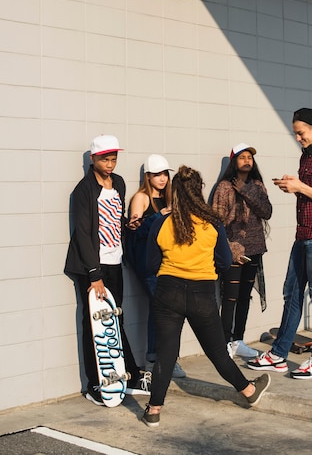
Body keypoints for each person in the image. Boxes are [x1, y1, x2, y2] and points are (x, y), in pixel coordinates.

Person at [141, 165, 271, 428]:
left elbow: (150, 265)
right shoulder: (212, 224)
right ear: (199, 191)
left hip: (167, 293)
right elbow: (224, 262)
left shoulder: (161, 223)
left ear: (174, 192)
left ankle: (154, 410)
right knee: (217, 353)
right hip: (201, 294)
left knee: (166, 354)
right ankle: (248, 391)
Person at [248, 109, 312, 379]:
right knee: (291, 293)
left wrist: (301, 187)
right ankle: (279, 355)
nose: (298, 138)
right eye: (295, 134)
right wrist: (293, 185)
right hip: (303, 234)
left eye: (300, 133)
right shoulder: (307, 155)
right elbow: (308, 191)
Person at [64, 134, 151, 405]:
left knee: (115, 320)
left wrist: (129, 225)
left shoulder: (120, 183)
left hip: (114, 261)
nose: (110, 163)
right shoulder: (83, 190)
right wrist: (94, 275)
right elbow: (82, 234)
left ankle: (128, 374)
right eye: (105, 159)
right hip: (93, 266)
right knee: (94, 325)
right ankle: (94, 384)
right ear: (93, 159)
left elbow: (113, 219)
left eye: (114, 158)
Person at [126, 154, 186, 378]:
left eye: (165, 174)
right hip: (149, 263)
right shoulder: (141, 198)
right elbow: (135, 231)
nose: (162, 179)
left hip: (169, 261)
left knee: (161, 309)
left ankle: (158, 359)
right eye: (157, 174)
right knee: (165, 308)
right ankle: (160, 360)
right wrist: (157, 217)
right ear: (147, 176)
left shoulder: (170, 198)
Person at [212, 143, 272, 360]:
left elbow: (267, 212)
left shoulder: (256, 185)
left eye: (250, 157)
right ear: (234, 162)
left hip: (254, 249)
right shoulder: (224, 187)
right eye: (242, 157)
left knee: (245, 297)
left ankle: (238, 340)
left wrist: (246, 191)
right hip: (233, 250)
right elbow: (215, 221)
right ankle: (224, 343)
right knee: (230, 298)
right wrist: (228, 249)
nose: (247, 160)